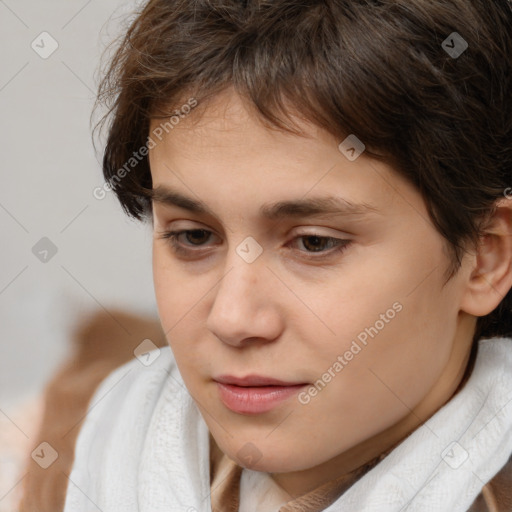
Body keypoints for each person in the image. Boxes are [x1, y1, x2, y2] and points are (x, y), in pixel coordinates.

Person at [64, 0, 512, 510]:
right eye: (193, 236)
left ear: (485, 258)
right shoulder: (109, 435)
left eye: (314, 243)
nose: (233, 320)